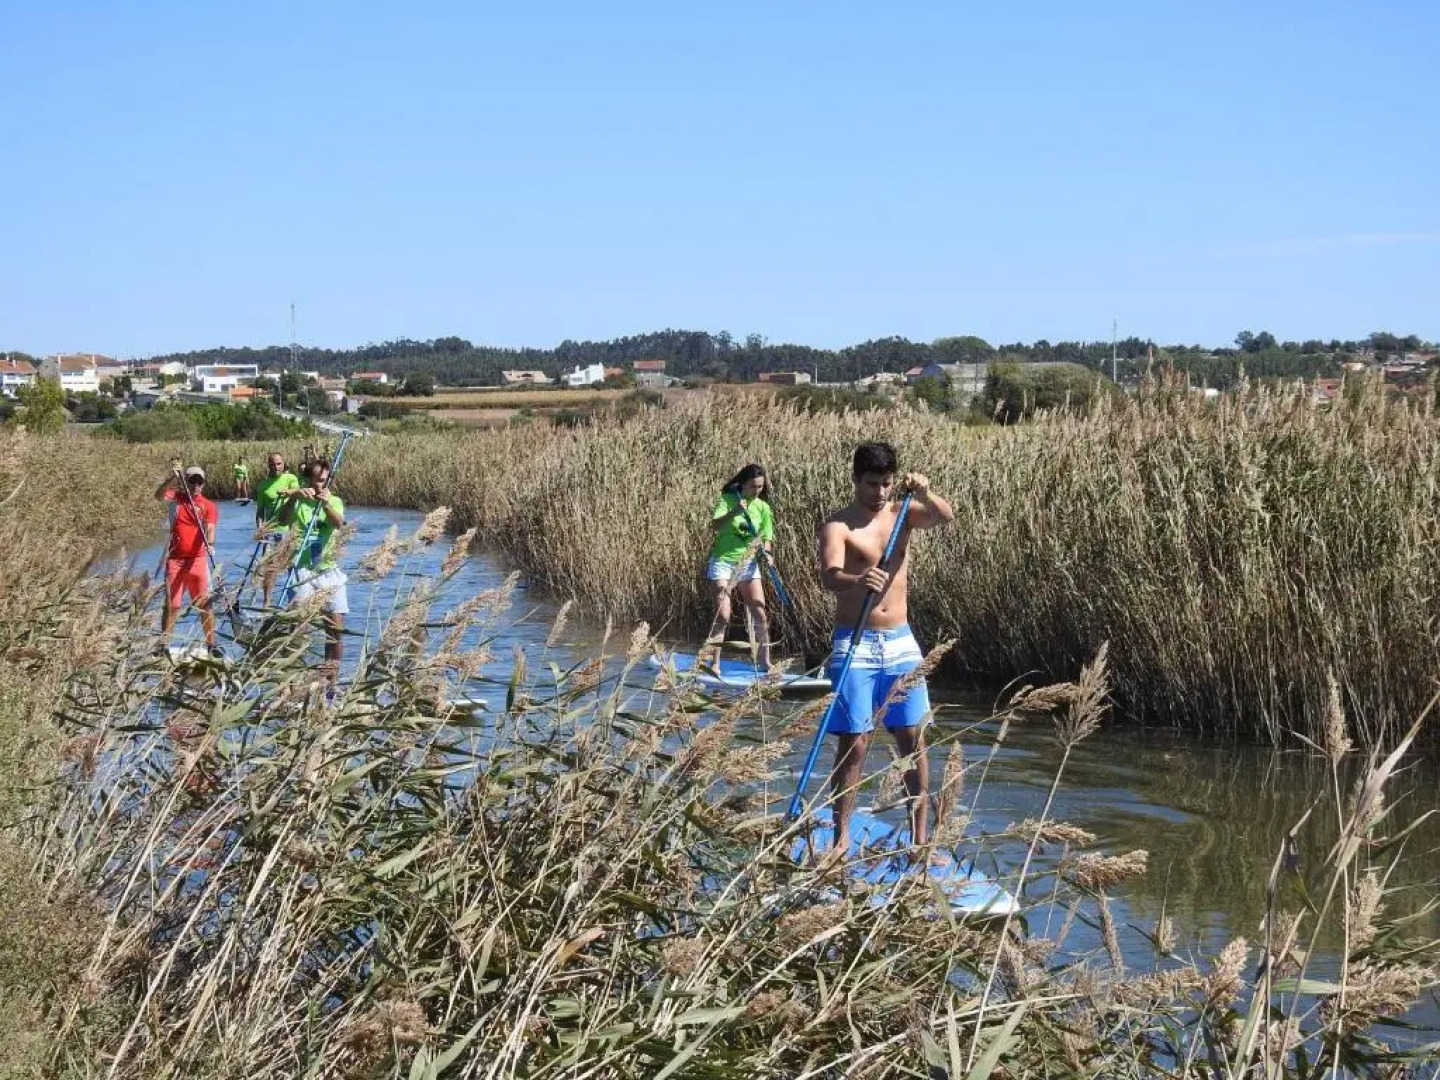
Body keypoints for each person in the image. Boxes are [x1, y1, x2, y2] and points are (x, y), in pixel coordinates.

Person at [817, 442, 953, 854]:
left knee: (912, 738)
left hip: (899, 642)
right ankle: (840, 839)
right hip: (854, 644)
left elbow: (945, 518)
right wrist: (857, 581)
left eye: (887, 485)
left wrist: (926, 491)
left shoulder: (902, 514)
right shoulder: (838, 526)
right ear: (856, 480)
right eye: (873, 484)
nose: (880, 493)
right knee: (855, 743)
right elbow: (829, 576)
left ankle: (919, 838)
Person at [279, 458, 347, 683]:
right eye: (318, 481)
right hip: (302, 570)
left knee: (335, 629)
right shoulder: (300, 501)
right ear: (309, 480)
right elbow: (282, 519)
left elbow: (339, 523)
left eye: (325, 481)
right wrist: (294, 497)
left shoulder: (334, 500)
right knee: (300, 627)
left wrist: (326, 505)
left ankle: (330, 682)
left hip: (328, 570)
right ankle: (294, 681)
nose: (322, 485)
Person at [701, 463, 775, 670]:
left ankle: (765, 662)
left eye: (760, 487)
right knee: (723, 615)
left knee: (760, 613)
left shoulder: (763, 508)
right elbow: (715, 526)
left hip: (749, 564)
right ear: (742, 484)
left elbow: (766, 536)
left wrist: (768, 555)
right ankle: (714, 663)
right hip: (723, 562)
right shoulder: (727, 500)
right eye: (753, 487)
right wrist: (734, 511)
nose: (756, 491)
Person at [154, 464, 220, 657]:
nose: (196, 485)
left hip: (197, 561)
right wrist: (172, 478)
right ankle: (163, 646)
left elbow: (210, 529)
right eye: (192, 481)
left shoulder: (208, 505)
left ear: (203, 484)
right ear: (186, 482)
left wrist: (211, 543)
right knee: (172, 605)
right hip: (175, 561)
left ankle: (211, 645)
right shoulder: (175, 497)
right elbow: (158, 495)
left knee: (205, 605)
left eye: (200, 481)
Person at [254, 451, 300, 607]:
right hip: (271, 531)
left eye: (279, 464)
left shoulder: (290, 478)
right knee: (270, 569)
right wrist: (260, 528)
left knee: (291, 566)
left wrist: (289, 492)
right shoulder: (263, 485)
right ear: (268, 465)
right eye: (273, 464)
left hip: (288, 529)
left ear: (283, 464)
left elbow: (299, 492)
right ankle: (266, 602)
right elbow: (260, 511)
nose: (276, 467)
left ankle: (293, 602)